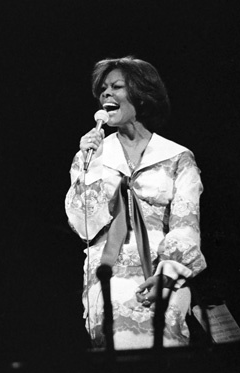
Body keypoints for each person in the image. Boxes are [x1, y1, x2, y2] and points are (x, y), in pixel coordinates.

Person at [65, 56, 206, 349]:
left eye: (117, 86)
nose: (106, 94)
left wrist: (167, 277)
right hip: (108, 278)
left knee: (166, 362)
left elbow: (186, 225)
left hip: (161, 276)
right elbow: (83, 226)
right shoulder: (91, 156)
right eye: (103, 88)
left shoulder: (177, 157)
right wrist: (91, 167)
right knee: (117, 363)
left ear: (141, 97)